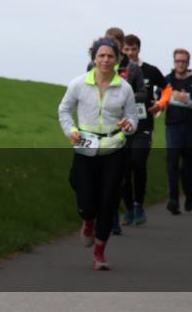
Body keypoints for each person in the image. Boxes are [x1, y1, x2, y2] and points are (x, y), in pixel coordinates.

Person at [59, 38, 139, 271]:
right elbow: (64, 109)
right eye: (101, 56)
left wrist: (129, 125)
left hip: (114, 148)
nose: (105, 60)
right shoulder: (79, 84)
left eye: (110, 56)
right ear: (94, 58)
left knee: (108, 201)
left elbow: (133, 117)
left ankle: (100, 252)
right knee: (85, 198)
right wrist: (71, 130)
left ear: (117, 60)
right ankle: (87, 220)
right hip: (85, 145)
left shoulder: (124, 88)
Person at [157, 48, 192, 214]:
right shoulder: (167, 80)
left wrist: (187, 100)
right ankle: (173, 199)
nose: (180, 64)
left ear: (188, 63)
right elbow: (159, 98)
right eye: (177, 61)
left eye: (183, 61)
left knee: (188, 165)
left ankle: (189, 195)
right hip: (173, 125)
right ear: (174, 62)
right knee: (172, 160)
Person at [120, 33, 166, 225]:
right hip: (121, 125)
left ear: (139, 49)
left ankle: (139, 205)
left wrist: (160, 104)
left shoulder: (150, 70)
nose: (130, 53)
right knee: (123, 168)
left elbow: (167, 88)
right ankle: (129, 208)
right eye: (126, 50)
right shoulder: (118, 70)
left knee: (138, 162)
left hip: (143, 124)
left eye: (133, 49)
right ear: (122, 50)